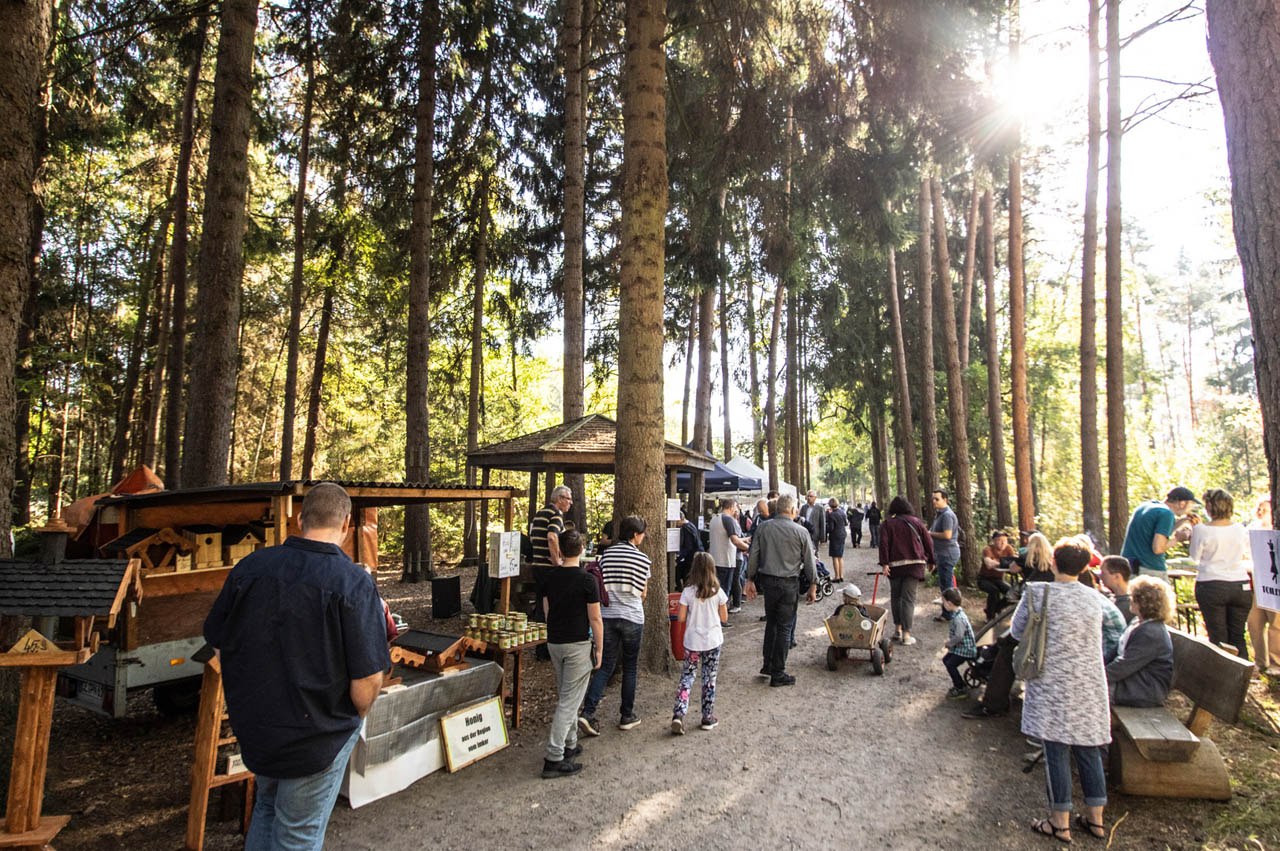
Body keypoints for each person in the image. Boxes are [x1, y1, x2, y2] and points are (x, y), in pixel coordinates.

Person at [203, 483, 390, 850]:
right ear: (347, 522)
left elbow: (219, 642)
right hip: (317, 735)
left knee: (267, 810)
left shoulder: (250, 568)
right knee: (298, 834)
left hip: (258, 728)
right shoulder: (352, 583)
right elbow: (367, 679)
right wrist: (356, 715)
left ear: (300, 519)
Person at [1014, 540, 1111, 844]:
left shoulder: (1036, 593)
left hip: (1052, 681)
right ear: (1085, 568)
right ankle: (1096, 820)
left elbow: (1018, 632)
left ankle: (1060, 822)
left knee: (1056, 749)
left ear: (1053, 563)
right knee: (1088, 748)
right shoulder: (1096, 599)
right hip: (1089, 681)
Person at [962, 532, 1055, 720]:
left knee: (1005, 645)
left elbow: (1012, 571)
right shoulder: (1053, 568)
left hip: (1039, 627)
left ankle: (994, 702)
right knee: (999, 595)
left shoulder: (1029, 565)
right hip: (1046, 626)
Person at [538, 529, 603, 778]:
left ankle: (570, 744)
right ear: (583, 549)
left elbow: (547, 609)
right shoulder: (588, 580)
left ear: (561, 551)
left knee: (568, 695)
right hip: (577, 643)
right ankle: (553, 757)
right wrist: (599, 647)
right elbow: (595, 618)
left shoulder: (550, 577)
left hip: (555, 641)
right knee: (569, 701)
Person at [579, 515, 651, 737]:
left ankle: (588, 711)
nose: (643, 537)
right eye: (642, 534)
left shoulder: (605, 555)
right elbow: (643, 593)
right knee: (630, 666)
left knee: (605, 664)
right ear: (634, 535)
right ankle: (626, 715)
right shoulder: (642, 559)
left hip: (607, 615)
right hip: (632, 616)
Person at [745, 494, 817, 687]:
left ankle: (767, 664)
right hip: (788, 583)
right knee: (785, 627)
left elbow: (754, 555)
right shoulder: (801, 531)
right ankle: (778, 672)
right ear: (792, 510)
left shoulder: (763, 528)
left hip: (768, 583)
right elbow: (810, 561)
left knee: (772, 623)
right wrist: (813, 584)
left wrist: (749, 579)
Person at [1191, 488, 1253, 660]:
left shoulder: (1201, 530)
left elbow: (1194, 556)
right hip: (1240, 584)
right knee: (1238, 634)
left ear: (1210, 506)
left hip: (1211, 584)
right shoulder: (1240, 528)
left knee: (1218, 636)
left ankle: (1221, 680)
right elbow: (1247, 552)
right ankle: (1242, 678)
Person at [670, 553, 729, 734]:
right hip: (712, 640)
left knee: (687, 677)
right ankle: (707, 717)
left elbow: (680, 618)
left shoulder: (688, 592)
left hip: (692, 641)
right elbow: (724, 618)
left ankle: (679, 714)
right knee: (709, 679)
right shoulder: (718, 591)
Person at [1107, 577, 1175, 707]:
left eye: (1133, 597)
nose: (1129, 599)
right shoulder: (1137, 622)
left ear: (1143, 602)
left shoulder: (1151, 633)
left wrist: (1096, 678)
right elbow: (1115, 651)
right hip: (1131, 683)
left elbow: (1125, 665)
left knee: (1085, 691)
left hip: (1142, 690)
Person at [877, 496, 934, 647]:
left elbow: (883, 544)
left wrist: (884, 563)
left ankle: (897, 630)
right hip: (915, 564)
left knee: (896, 597)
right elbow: (928, 541)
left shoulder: (887, 524)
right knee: (908, 599)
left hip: (894, 565)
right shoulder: (916, 522)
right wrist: (932, 560)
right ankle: (907, 635)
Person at [1121, 486, 1199, 581]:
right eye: (1191, 504)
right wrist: (1177, 539)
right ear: (1182, 504)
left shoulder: (1146, 506)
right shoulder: (1166, 514)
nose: (1191, 509)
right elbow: (1158, 548)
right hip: (1150, 569)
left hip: (1129, 567)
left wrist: (1182, 522)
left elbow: (1154, 533)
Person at [530, 485, 573, 659]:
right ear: (560, 499)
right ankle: (546, 649)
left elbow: (534, 536)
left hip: (537, 566)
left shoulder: (540, 513)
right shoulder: (556, 514)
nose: (570, 503)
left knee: (540, 606)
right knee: (550, 608)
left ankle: (540, 647)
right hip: (548, 569)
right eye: (568, 499)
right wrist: (557, 561)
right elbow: (552, 536)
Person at [1246, 495, 1280, 675]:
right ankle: (1261, 661)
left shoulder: (1275, 531)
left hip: (1273, 583)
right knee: (1254, 622)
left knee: (1276, 622)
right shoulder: (1252, 530)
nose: (1260, 512)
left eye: (1264, 509)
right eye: (1259, 508)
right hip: (1255, 581)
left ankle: (1276, 663)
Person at [709, 499, 750, 620]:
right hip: (726, 560)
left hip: (715, 559)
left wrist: (745, 539)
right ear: (732, 507)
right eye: (736, 507)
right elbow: (734, 540)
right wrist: (749, 549)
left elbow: (725, 537)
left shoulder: (714, 519)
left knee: (717, 589)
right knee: (724, 591)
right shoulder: (728, 519)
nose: (737, 510)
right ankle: (721, 619)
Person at [940, 587, 977, 700]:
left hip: (965, 649)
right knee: (946, 660)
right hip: (961, 647)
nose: (943, 604)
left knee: (950, 664)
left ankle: (960, 687)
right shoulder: (957, 614)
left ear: (949, 603)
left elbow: (959, 636)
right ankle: (959, 684)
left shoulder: (958, 619)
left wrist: (949, 643)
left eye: (944, 602)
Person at [929, 489, 961, 600]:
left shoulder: (947, 515)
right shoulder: (939, 514)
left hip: (948, 553)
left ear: (945, 500)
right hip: (942, 553)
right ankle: (946, 611)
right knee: (944, 584)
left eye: (937, 499)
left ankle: (950, 613)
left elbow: (947, 535)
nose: (934, 501)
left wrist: (930, 534)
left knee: (947, 586)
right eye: (933, 499)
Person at [978, 530, 1016, 621]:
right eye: (1000, 540)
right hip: (984, 578)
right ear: (994, 541)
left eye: (1005, 540)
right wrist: (1003, 563)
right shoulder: (988, 549)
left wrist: (997, 562)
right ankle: (990, 617)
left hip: (998, 579)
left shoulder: (1009, 549)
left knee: (1012, 593)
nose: (1003, 543)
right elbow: (988, 563)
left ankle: (995, 608)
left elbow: (1014, 562)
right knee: (994, 591)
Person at [674, 504, 703, 588]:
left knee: (686, 574)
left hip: (691, 557)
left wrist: (679, 558)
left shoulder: (686, 528)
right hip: (693, 554)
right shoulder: (691, 525)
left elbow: (688, 547)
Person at [1099, 555, 1133, 622]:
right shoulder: (1109, 597)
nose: (1100, 576)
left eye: (1103, 573)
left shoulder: (1130, 606)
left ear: (1117, 577)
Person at [825, 498, 848, 582]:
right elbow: (846, 523)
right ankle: (841, 575)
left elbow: (831, 528)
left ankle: (837, 576)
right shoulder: (842, 512)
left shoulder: (832, 515)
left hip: (835, 536)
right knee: (840, 556)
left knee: (835, 556)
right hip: (842, 534)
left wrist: (826, 528)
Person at [801, 490, 827, 554]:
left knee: (814, 552)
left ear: (815, 497)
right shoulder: (804, 507)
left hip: (815, 534)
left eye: (811, 496)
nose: (809, 498)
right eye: (808, 496)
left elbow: (822, 523)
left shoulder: (820, 508)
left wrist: (822, 538)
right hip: (804, 533)